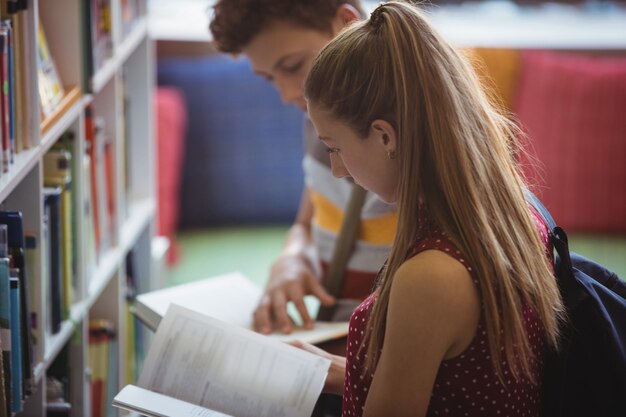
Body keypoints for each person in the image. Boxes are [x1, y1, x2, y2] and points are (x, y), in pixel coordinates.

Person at [297, 2, 566, 416]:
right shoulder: (514, 211)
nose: (335, 170)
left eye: (335, 148)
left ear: (385, 137)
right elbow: (449, 380)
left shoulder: (431, 276)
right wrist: (332, 371)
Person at [209, 1, 397, 336]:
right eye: (270, 79)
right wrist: (293, 257)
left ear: (346, 24)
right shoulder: (318, 119)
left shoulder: (407, 134)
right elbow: (308, 223)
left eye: (294, 66)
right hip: (341, 337)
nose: (287, 94)